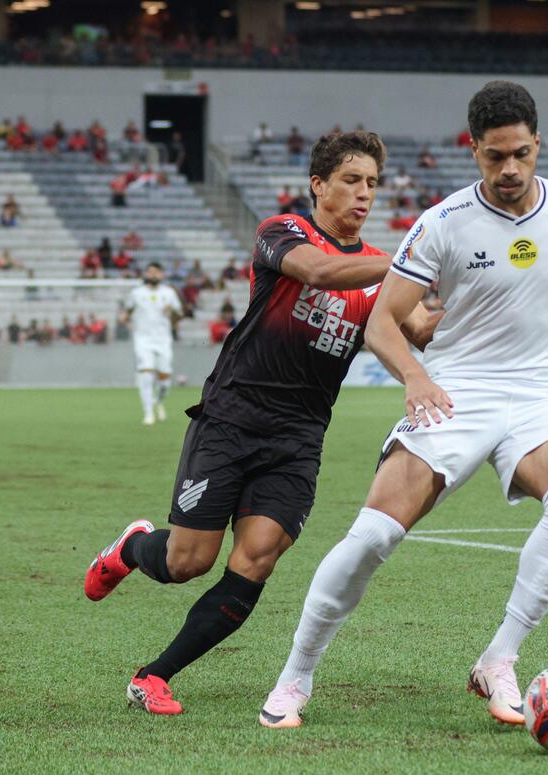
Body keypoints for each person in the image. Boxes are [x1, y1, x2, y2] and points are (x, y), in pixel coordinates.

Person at [258, 81, 548, 730]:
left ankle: (499, 659)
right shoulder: (443, 223)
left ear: (537, 145)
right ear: (474, 150)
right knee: (373, 535)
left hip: (538, 396)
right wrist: (415, 378)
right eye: (495, 156)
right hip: (456, 391)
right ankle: (295, 676)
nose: (509, 168)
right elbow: (382, 322)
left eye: (521, 154)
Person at [82, 131, 437, 716]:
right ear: (318, 185)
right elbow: (319, 273)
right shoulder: (283, 232)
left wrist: (484, 284)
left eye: (372, 183)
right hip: (231, 418)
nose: (364, 193)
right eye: (351, 180)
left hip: (299, 438)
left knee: (257, 559)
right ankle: (133, 547)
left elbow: (421, 328)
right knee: (188, 562)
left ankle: (154, 676)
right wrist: (412, 263)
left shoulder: (382, 274)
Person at [118, 262, 183, 426]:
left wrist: (172, 312)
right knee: (146, 375)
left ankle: (158, 401)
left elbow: (179, 315)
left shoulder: (169, 293)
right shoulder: (136, 293)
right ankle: (148, 413)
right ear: (146, 274)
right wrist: (125, 319)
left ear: (162, 275)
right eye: (150, 272)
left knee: (165, 382)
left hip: (163, 340)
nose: (153, 275)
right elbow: (127, 312)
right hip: (143, 340)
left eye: (156, 272)